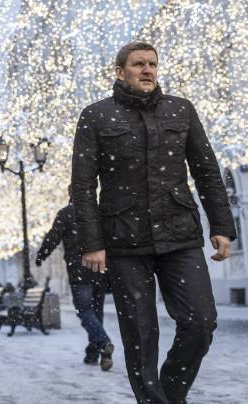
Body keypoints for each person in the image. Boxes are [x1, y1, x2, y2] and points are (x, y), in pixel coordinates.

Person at [72, 41, 235, 404]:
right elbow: (83, 186)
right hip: (125, 241)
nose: (148, 70)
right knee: (141, 335)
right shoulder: (96, 116)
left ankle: (170, 394)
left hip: (180, 235)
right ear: (120, 71)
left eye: (152, 64)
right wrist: (92, 242)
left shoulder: (182, 110)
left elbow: (207, 172)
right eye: (138, 64)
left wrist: (222, 227)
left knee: (201, 323)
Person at [35, 185, 113, 370]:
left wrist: (41, 255)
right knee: (96, 313)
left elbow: (52, 238)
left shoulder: (66, 214)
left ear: (70, 195)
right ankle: (95, 354)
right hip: (100, 270)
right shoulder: (99, 213)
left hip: (79, 272)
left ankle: (102, 343)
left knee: (85, 311)